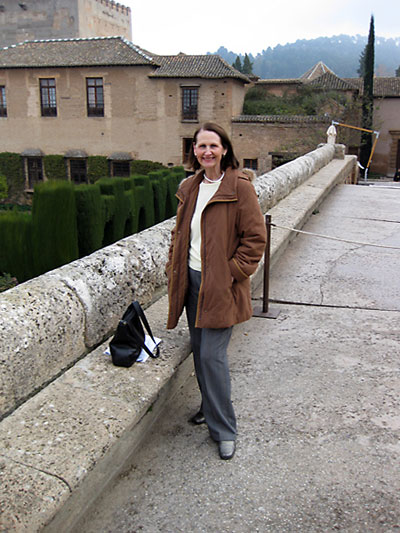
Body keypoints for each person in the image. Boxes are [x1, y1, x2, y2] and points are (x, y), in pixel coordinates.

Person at [166, 122, 266, 460]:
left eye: (213, 145)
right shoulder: (190, 186)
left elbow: (255, 240)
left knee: (212, 356)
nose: (207, 151)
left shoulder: (240, 187)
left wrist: (231, 274)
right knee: (198, 351)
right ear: (193, 151)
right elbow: (180, 234)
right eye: (200, 146)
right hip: (192, 282)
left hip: (221, 287)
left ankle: (224, 429)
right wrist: (174, 266)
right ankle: (209, 409)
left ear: (224, 149)